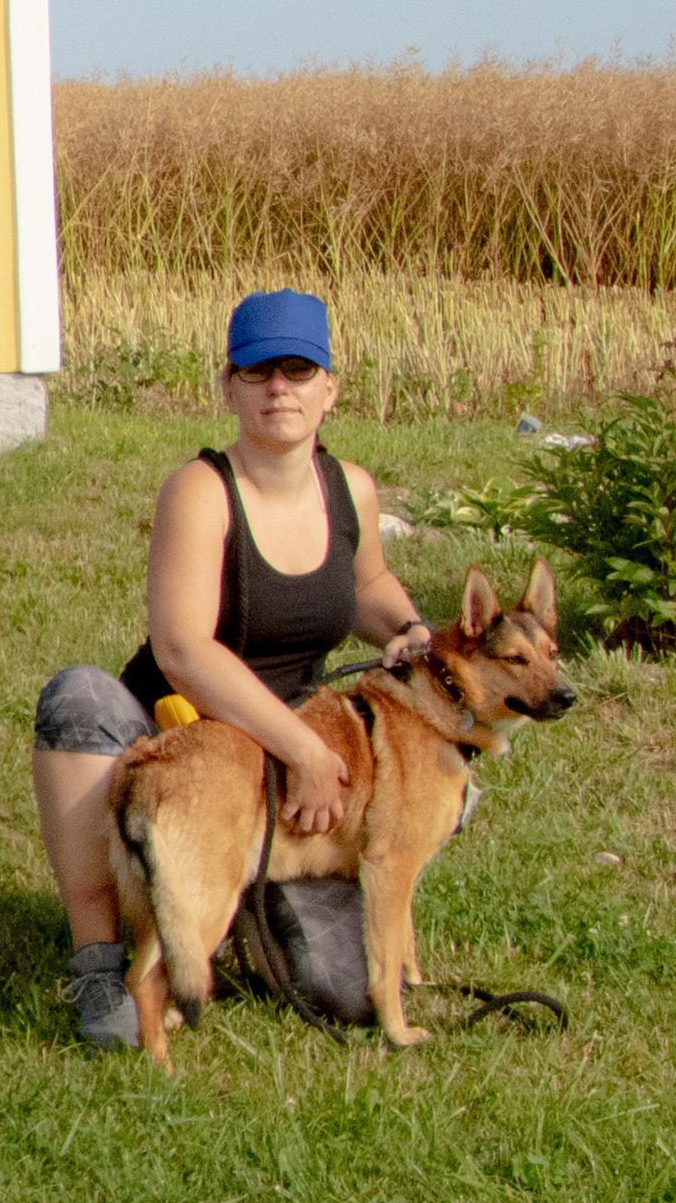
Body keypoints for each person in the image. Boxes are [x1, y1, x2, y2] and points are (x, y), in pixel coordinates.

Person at [30, 290, 433, 1051]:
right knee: (76, 701)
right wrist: (306, 750)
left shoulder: (351, 488)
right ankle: (99, 962)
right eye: (257, 371)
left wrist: (410, 628)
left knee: (341, 994)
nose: (278, 387)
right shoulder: (201, 489)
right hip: (186, 734)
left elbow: (369, 585)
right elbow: (183, 647)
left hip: (281, 775)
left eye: (297, 368)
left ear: (329, 387)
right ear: (229, 386)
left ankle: (227, 918)